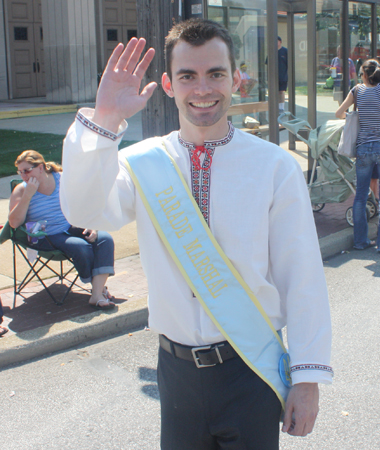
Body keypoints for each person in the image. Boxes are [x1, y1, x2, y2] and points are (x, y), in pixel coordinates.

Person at [60, 19, 332, 449]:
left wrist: (308, 377)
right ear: (168, 84)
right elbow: (83, 210)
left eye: (215, 74)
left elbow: (302, 278)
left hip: (252, 368)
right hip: (176, 374)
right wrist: (106, 119)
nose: (202, 88)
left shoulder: (273, 166)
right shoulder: (141, 162)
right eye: (188, 76)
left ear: (236, 78)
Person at [8, 150, 116, 310]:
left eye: (27, 170)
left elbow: (84, 203)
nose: (24, 175)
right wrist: (27, 196)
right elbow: (14, 223)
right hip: (46, 235)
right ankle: (99, 292)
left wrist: (91, 225)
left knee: (104, 238)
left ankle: (97, 294)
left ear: (41, 167)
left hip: (71, 226)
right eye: (20, 172)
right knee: (80, 246)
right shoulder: (21, 189)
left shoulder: (63, 179)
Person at [336, 59, 380, 253]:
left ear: (363, 75)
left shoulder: (356, 91)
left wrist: (355, 115)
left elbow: (339, 113)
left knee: (360, 196)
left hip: (364, 148)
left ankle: (361, 241)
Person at [277, 36, 288, 113]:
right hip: (274, 76)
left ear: (280, 42)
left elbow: (289, 63)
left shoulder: (285, 51)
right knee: (275, 92)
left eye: (277, 41)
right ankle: (276, 106)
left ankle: (281, 107)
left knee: (281, 91)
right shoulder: (272, 51)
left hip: (283, 76)